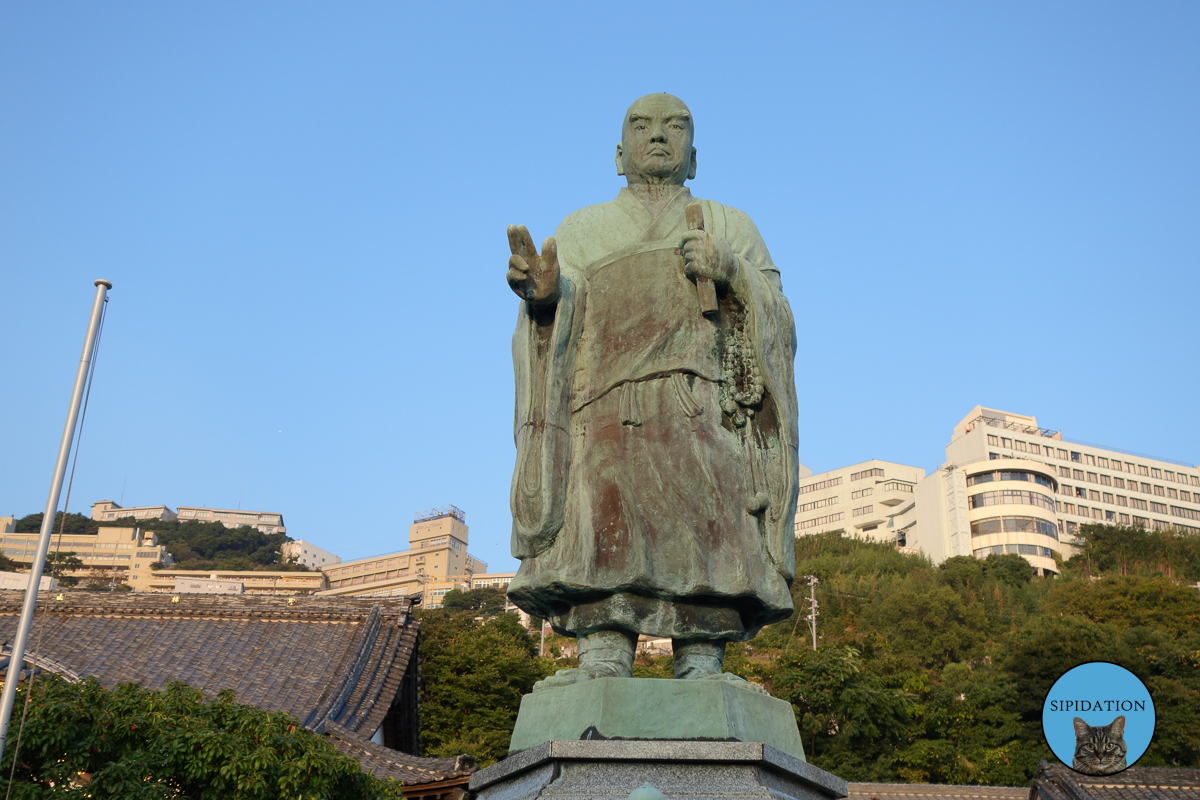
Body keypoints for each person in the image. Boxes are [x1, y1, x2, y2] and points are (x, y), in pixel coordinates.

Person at [504, 93, 799, 689]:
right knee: (605, 520)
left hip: (700, 405)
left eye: (676, 126)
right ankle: (604, 649)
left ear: (695, 157)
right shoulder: (584, 227)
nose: (658, 135)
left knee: (711, 524)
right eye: (641, 126)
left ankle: (702, 656)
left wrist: (732, 270)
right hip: (609, 406)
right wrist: (544, 296)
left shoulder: (731, 225)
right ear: (619, 153)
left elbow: (782, 322)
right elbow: (561, 307)